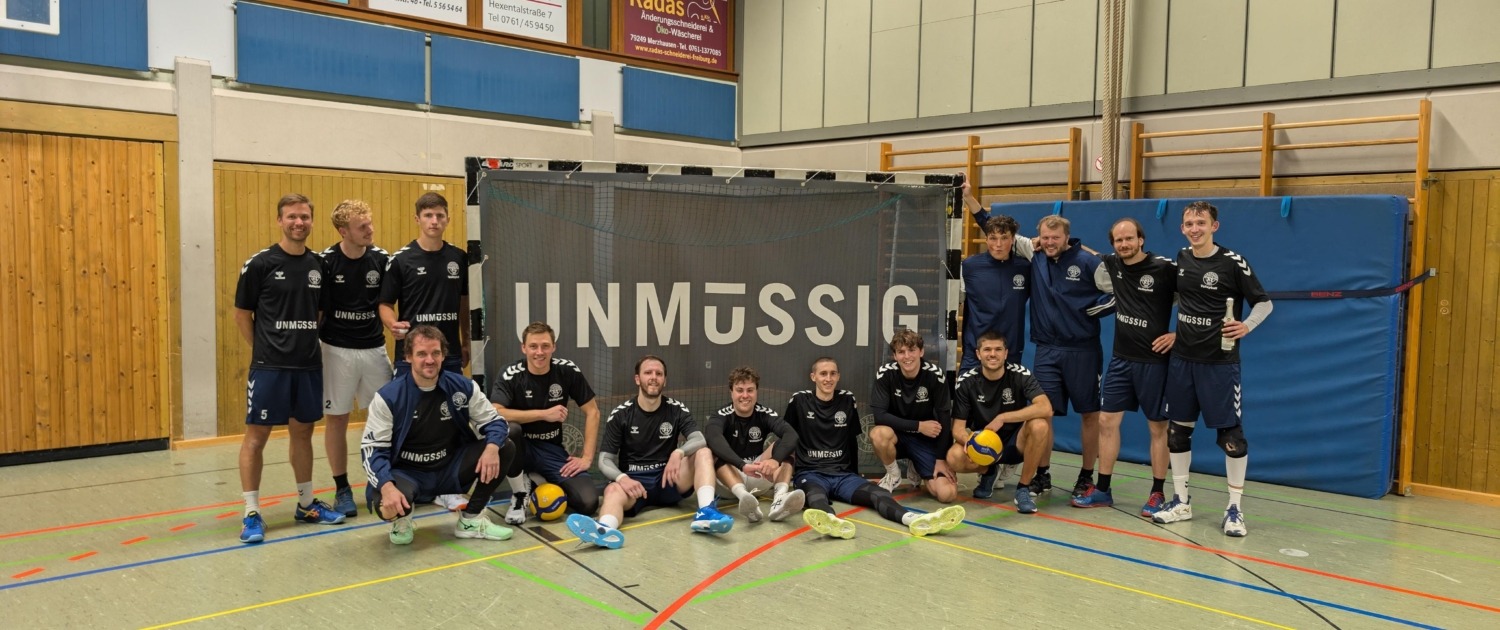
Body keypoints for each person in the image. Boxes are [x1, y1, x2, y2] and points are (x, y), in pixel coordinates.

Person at [1153, 201, 1272, 537]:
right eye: (1189, 223)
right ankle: (1181, 501)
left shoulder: (1233, 262)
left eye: (1201, 223)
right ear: (1182, 228)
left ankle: (1234, 509)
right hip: (1182, 362)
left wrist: (1246, 326)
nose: (1195, 228)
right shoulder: (1181, 258)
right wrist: (1179, 333)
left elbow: (1264, 303)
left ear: (1214, 226)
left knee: (1232, 439)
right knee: (1177, 432)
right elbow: (1184, 302)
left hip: (1219, 365)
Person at [233, 193, 345, 544]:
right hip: (270, 368)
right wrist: (263, 350)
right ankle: (252, 512)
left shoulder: (319, 265)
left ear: (311, 221)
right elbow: (242, 314)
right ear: (280, 221)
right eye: (292, 217)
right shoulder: (260, 264)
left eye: (304, 217)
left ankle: (306, 504)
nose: (299, 222)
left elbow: (319, 312)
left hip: (308, 366)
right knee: (256, 437)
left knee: (303, 433)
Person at [360, 325, 516, 544]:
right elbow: (372, 450)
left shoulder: (462, 387)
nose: (429, 360)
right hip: (407, 473)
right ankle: (401, 519)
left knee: (504, 446)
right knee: (387, 508)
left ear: (443, 355)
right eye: (421, 354)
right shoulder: (389, 397)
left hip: (449, 468)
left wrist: (491, 448)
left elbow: (495, 421)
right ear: (408, 357)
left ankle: (471, 520)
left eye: (435, 353)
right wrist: (386, 487)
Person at [565, 356, 734, 549]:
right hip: (635, 485)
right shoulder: (621, 414)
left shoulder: (676, 409)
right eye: (648, 373)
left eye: (659, 373)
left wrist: (678, 453)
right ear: (637, 379)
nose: (654, 377)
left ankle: (706, 513)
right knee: (612, 490)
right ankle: (604, 530)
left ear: (665, 380)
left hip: (669, 479)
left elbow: (699, 439)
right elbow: (604, 460)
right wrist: (622, 478)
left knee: (703, 452)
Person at [788, 357, 966, 539]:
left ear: (838, 376)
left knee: (878, 493)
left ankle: (913, 519)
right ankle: (832, 521)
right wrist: (787, 476)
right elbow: (788, 440)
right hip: (811, 474)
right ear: (813, 377)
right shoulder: (799, 400)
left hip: (843, 476)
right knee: (815, 496)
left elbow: (851, 441)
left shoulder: (847, 399)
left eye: (833, 374)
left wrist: (854, 474)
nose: (828, 378)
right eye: (823, 374)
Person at [1073, 218, 1177, 515]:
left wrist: (1179, 334)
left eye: (1129, 238)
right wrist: (1045, 242)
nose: (1124, 244)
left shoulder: (1164, 268)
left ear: (1141, 239)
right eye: (1118, 240)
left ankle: (1157, 493)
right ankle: (1103, 489)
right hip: (1121, 360)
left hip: (1154, 362)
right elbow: (1086, 251)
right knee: (1107, 422)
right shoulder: (1113, 264)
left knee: (1158, 427)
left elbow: (1198, 297)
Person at [379, 192, 470, 510]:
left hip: (449, 355)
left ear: (447, 219)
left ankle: (449, 487)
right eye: (428, 215)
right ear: (417, 219)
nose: (434, 221)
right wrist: (392, 324)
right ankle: (400, 482)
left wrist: (466, 341)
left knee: (452, 419)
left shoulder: (458, 258)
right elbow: (384, 304)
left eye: (440, 215)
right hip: (413, 358)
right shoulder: (401, 259)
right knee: (407, 420)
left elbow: (464, 304)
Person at [1029, 215, 1115, 499]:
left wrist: (1093, 310)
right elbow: (998, 233)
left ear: (1067, 237)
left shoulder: (1088, 262)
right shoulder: (1035, 257)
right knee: (1044, 412)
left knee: (1090, 414)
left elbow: (1119, 291)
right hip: (1046, 349)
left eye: (1055, 238)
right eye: (1045, 237)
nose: (1049, 242)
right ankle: (1042, 473)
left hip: (1083, 350)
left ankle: (1086, 475)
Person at [317, 199, 392, 518]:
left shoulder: (382, 259)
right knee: (337, 419)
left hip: (374, 349)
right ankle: (342, 488)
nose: (370, 230)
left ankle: (383, 481)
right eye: (362, 227)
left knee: (387, 416)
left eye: (370, 223)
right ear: (343, 231)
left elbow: (388, 303)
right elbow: (318, 310)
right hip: (336, 351)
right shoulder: (325, 262)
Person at [491, 322, 602, 525]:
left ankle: (535, 479)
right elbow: (496, 412)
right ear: (523, 348)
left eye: (545, 346)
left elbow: (593, 412)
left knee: (588, 503)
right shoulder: (511, 373)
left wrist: (587, 458)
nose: (539, 352)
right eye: (533, 346)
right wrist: (543, 414)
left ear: (554, 347)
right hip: (519, 448)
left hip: (551, 449)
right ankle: (519, 494)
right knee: (510, 430)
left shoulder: (567, 371)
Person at [946, 332, 1053, 512]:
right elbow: (957, 429)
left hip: (1015, 442)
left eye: (998, 349)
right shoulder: (966, 381)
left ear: (1006, 353)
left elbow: (1046, 407)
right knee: (953, 457)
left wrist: (1002, 418)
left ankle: (1023, 489)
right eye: (987, 349)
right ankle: (989, 471)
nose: (993, 354)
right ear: (978, 354)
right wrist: (972, 442)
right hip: (984, 444)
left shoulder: (1020, 374)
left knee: (1040, 425)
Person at [704, 367, 805, 523]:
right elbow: (713, 438)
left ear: (756, 391)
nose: (745, 395)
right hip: (728, 483)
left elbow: (791, 435)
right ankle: (744, 497)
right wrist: (742, 465)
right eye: (740, 390)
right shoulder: (720, 415)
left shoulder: (764, 413)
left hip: (757, 475)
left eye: (750, 390)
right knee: (711, 450)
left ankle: (779, 500)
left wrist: (775, 460)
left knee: (786, 445)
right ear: (731, 392)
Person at [868, 328, 958, 503]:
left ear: (921, 352)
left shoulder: (935, 375)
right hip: (897, 436)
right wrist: (919, 426)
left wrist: (941, 459)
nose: (907, 356)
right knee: (878, 434)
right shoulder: (885, 373)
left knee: (947, 495)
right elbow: (880, 416)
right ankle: (893, 475)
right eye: (901, 352)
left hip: (926, 440)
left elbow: (945, 419)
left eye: (912, 350)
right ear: (895, 356)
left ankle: (916, 464)